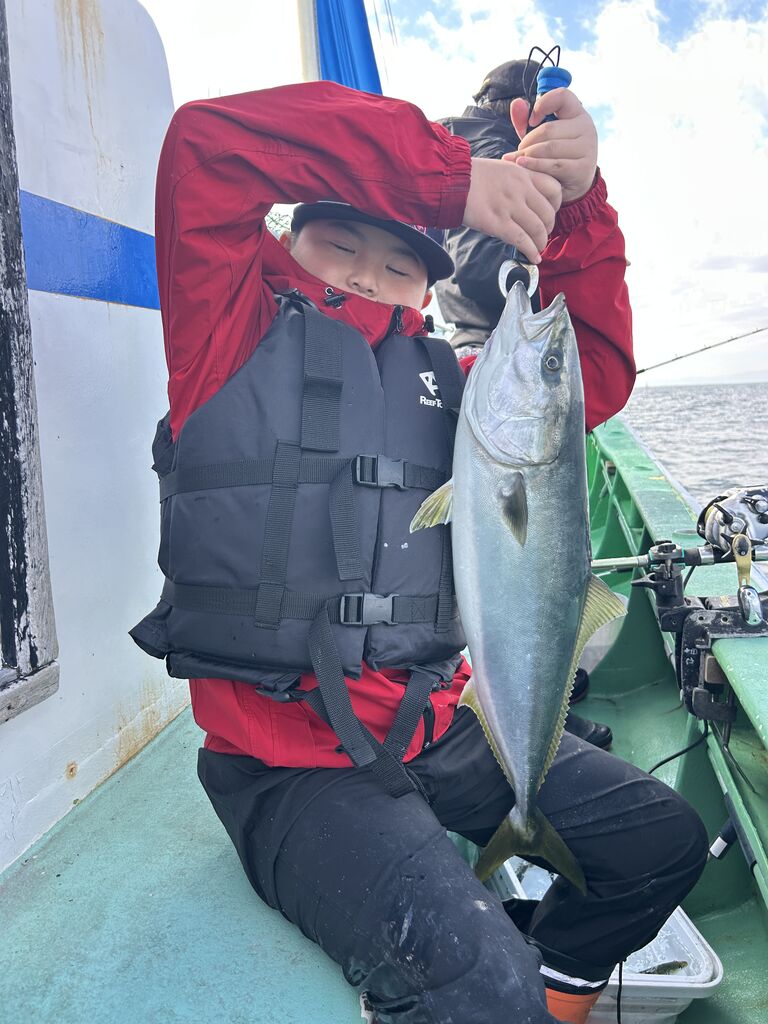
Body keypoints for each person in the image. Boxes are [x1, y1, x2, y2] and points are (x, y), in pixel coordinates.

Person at [131, 79, 708, 1024]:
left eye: (400, 265)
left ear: (427, 292)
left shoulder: (459, 391)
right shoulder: (223, 334)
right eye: (339, 245)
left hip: (442, 729)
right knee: (484, 981)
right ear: (286, 240)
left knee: (664, 843)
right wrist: (447, 181)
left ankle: (548, 989)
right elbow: (204, 145)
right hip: (290, 770)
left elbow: (587, 374)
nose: (367, 276)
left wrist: (575, 208)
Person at [436, 58, 620, 750]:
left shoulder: (462, 144)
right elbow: (478, 265)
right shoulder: (469, 151)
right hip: (482, 361)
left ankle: (534, 711)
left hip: (495, 374)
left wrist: (578, 199)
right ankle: (523, 708)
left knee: (544, 565)